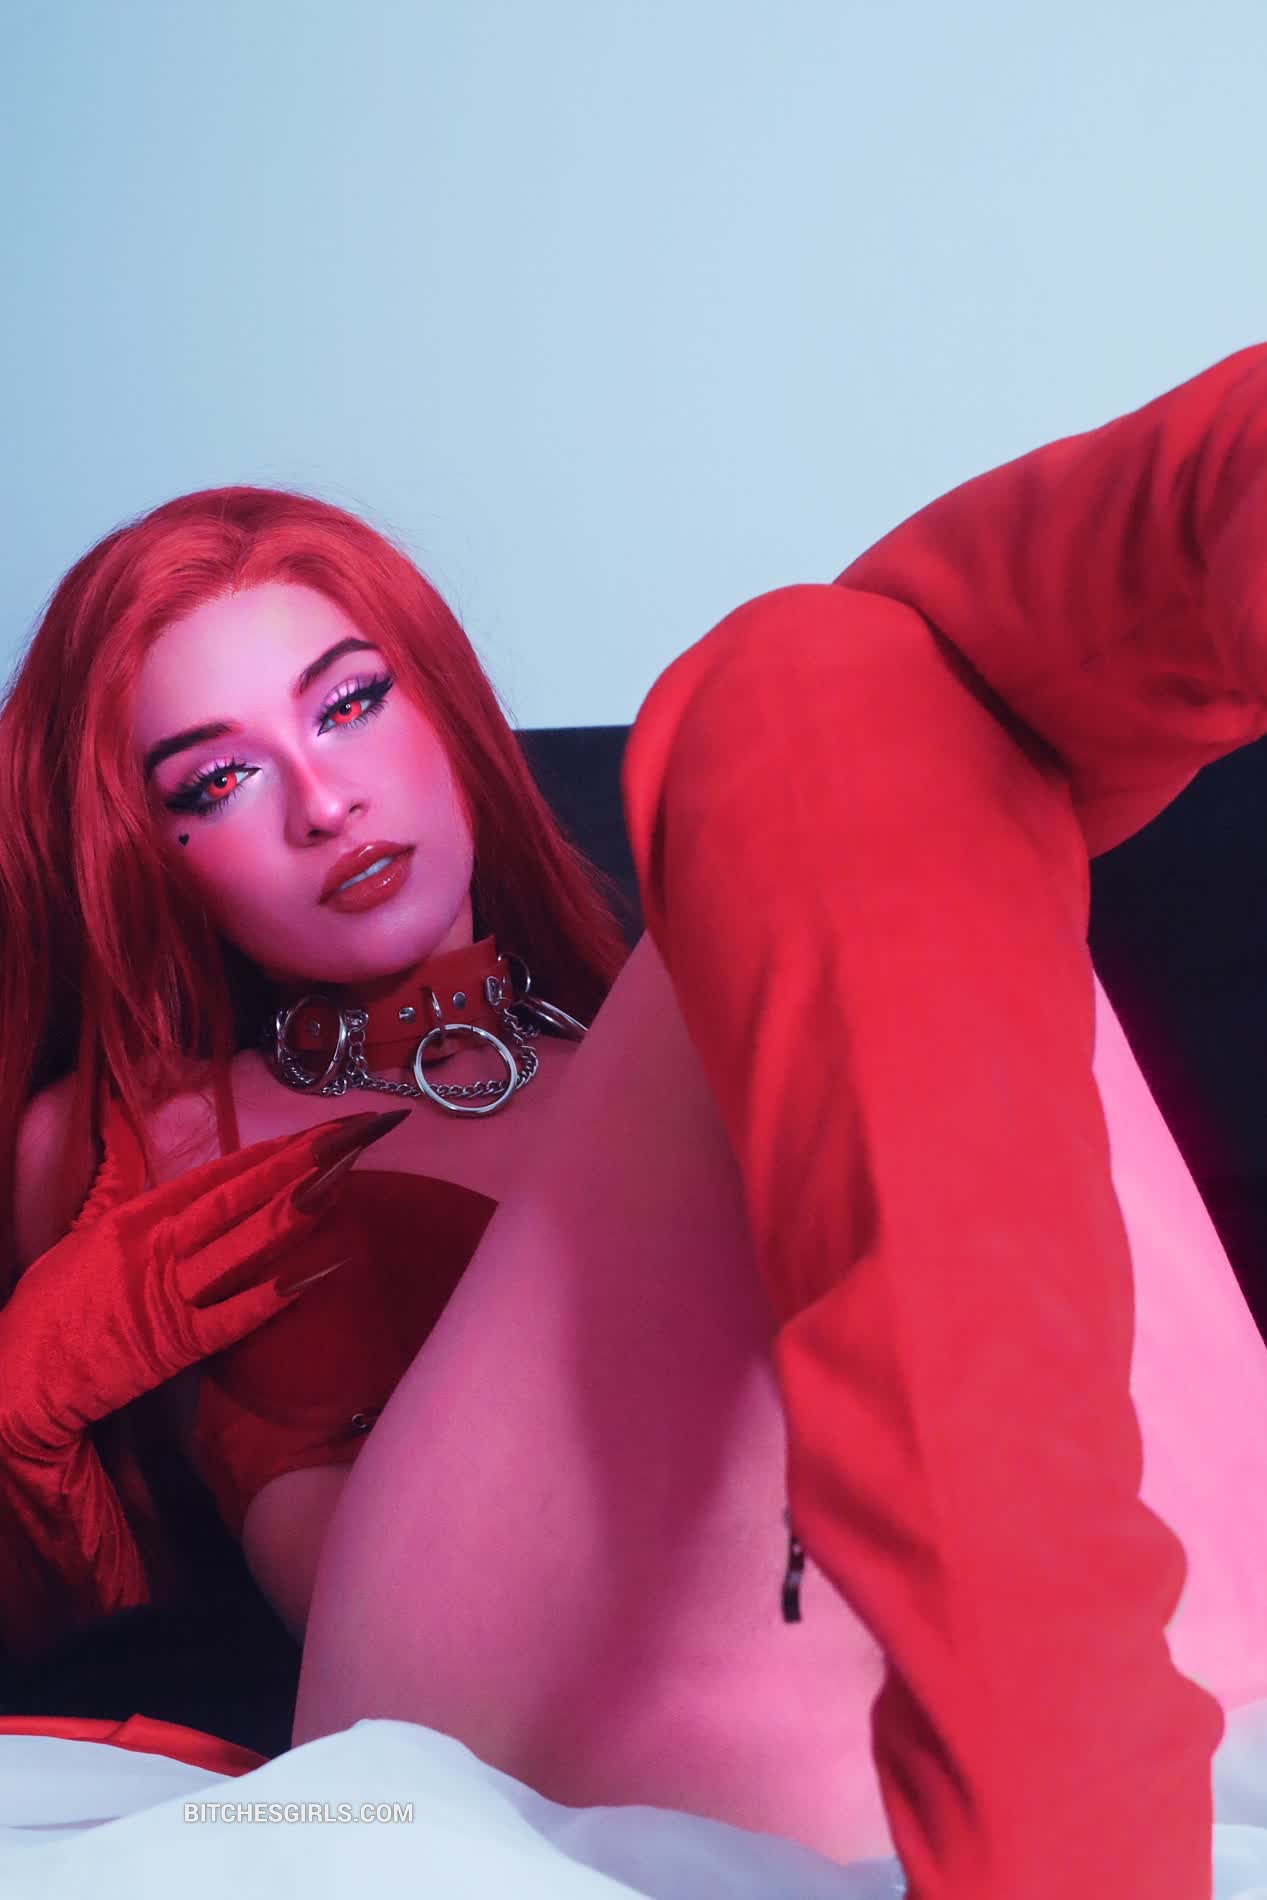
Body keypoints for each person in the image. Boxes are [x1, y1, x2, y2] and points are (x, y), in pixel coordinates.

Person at [3, 348, 1267, 1900]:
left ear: (445, 708)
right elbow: (144, 1614)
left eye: (350, 705)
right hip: (464, 1706)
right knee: (797, 682)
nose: (324, 803)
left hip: (978, 1629)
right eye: (216, 783)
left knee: (841, 709)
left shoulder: (662, 1021)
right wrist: (23, 1413)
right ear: (149, 857)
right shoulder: (147, 1128)